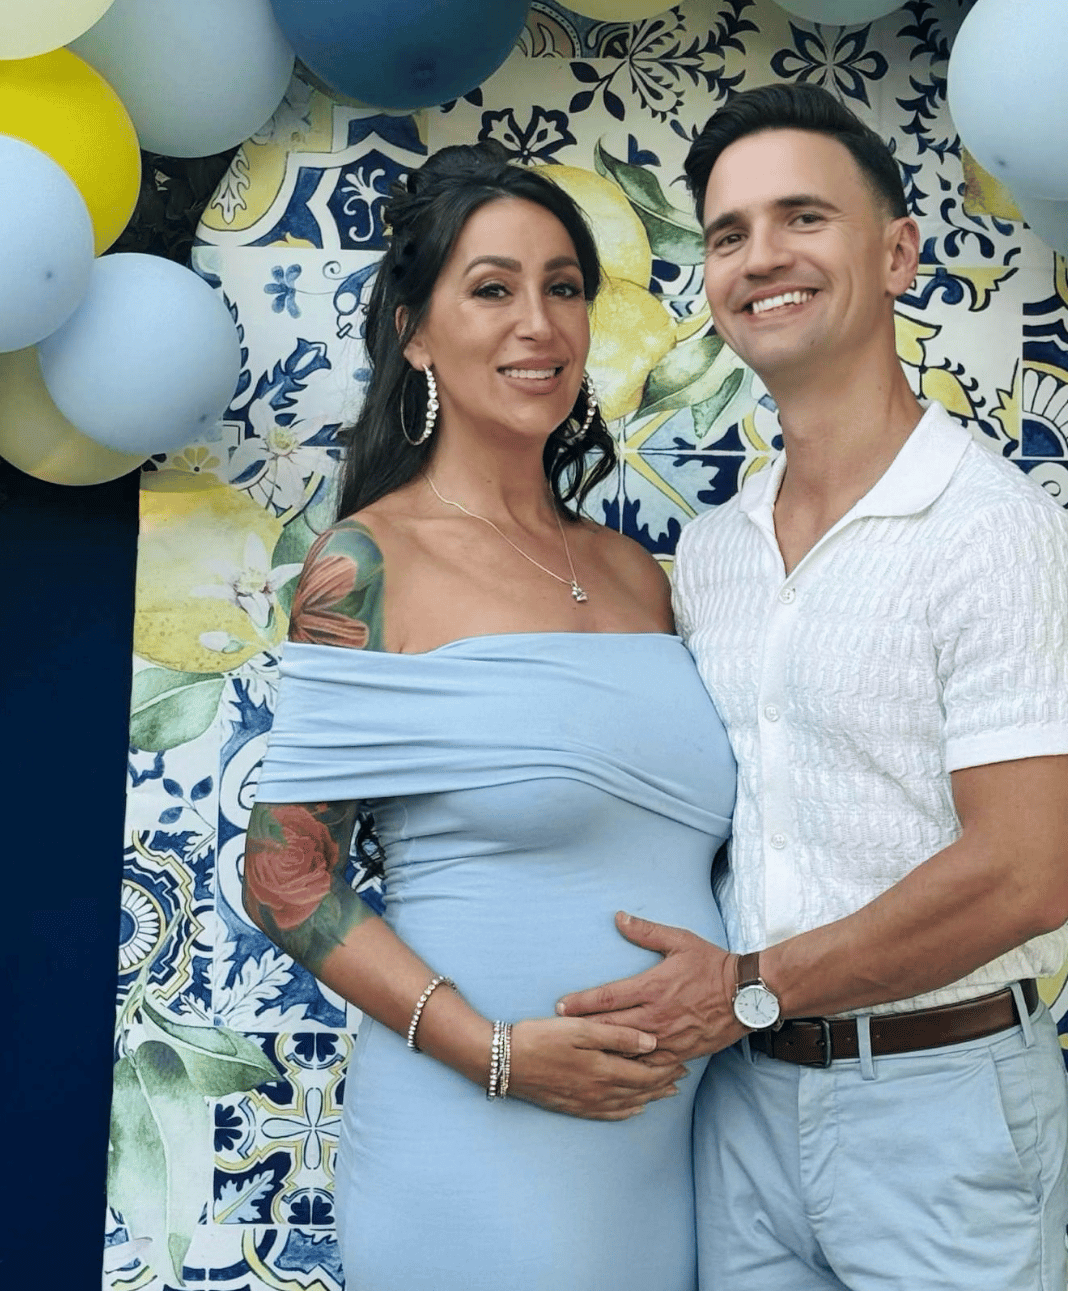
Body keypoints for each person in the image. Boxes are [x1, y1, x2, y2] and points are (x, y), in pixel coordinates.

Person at [556, 83, 1068, 1290]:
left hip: (938, 1110)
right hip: (737, 1110)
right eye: (728, 233)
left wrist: (746, 989)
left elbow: (1024, 872)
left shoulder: (995, 531)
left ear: (897, 253)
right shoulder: (712, 554)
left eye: (802, 217)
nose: (761, 257)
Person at [241, 142, 736, 1291]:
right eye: (492, 288)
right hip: (474, 1134)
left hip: (659, 1156)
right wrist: (497, 1053)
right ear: (414, 331)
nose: (538, 324)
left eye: (562, 286)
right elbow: (285, 876)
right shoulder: (366, 563)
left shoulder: (636, 572)